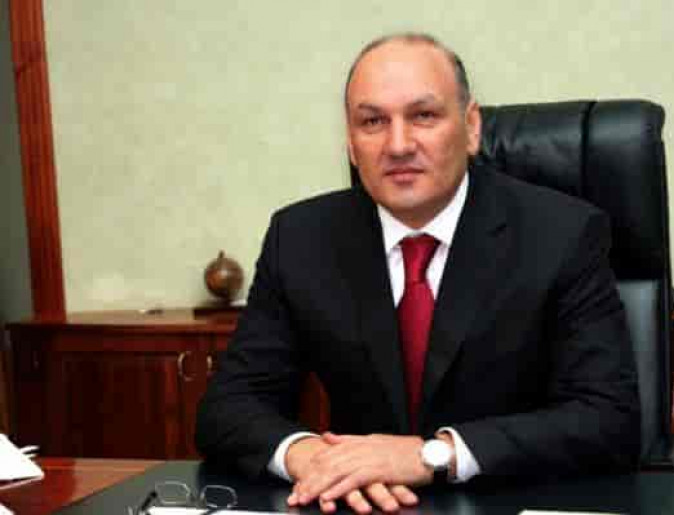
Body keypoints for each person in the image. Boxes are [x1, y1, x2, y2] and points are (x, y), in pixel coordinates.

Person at [196, 32, 640, 514]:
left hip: (510, 501)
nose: (398, 144)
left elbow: (606, 418)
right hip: (362, 505)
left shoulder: (562, 233)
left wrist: (433, 455)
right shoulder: (301, 237)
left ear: (471, 127)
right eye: (372, 122)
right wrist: (311, 457)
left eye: (423, 115)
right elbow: (228, 407)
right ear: (350, 143)